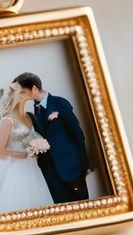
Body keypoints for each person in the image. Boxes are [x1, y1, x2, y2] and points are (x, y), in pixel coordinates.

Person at [13, 71, 90, 204]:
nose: (20, 95)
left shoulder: (60, 103)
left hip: (71, 166)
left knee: (83, 205)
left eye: (22, 92)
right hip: (50, 171)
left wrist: (84, 166)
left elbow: (78, 134)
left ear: (34, 89)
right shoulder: (35, 109)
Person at [0, 82, 54, 214]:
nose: (27, 91)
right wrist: (23, 154)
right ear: (18, 96)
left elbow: (32, 139)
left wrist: (37, 148)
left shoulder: (29, 116)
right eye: (22, 91)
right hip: (19, 169)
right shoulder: (7, 120)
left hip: (34, 168)